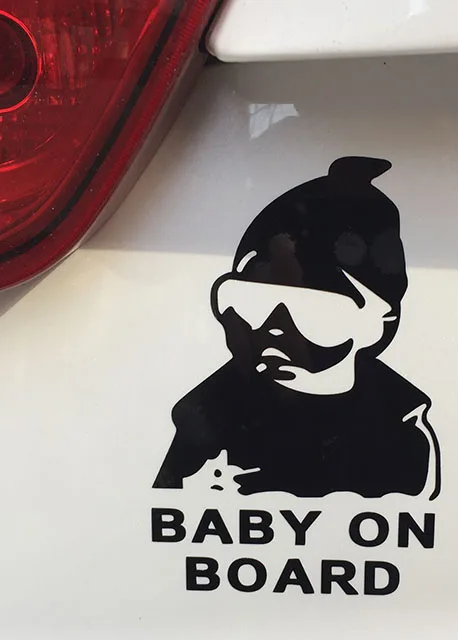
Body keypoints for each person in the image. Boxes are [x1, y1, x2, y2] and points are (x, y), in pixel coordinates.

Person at [153, 156, 440, 499]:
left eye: (313, 310)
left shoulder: (401, 430)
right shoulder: (207, 417)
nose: (274, 328)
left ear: (378, 322)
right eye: (251, 302)